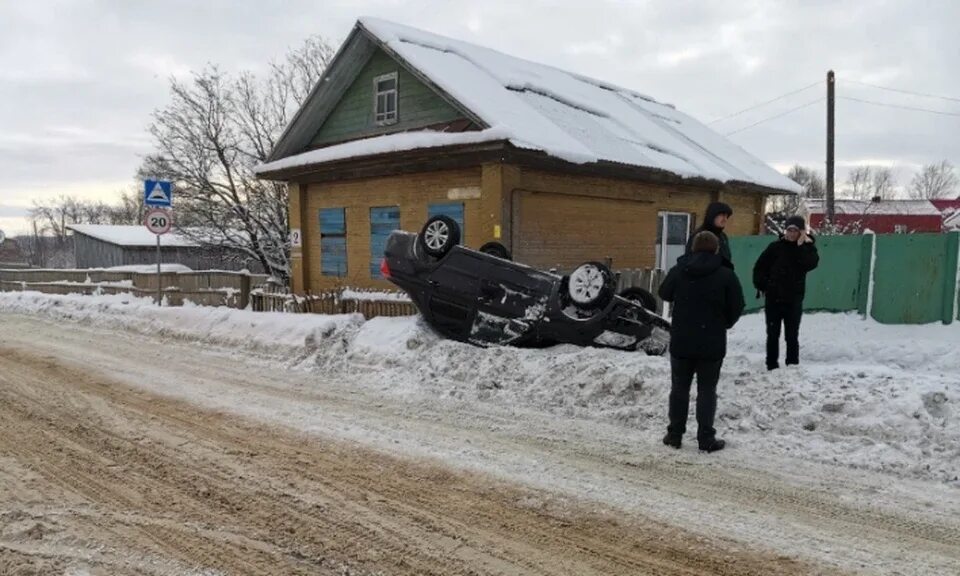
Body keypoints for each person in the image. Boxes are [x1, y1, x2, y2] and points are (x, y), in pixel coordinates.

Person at [659, 230, 745, 453]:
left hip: (682, 341)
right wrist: (724, 323)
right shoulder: (726, 274)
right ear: (717, 249)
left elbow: (664, 292)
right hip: (711, 342)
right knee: (707, 390)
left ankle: (674, 434)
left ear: (693, 248)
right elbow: (737, 305)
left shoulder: (680, 270)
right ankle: (706, 438)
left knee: (679, 389)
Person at [752, 215, 820, 371]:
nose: (791, 233)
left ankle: (792, 364)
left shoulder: (807, 248)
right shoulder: (775, 247)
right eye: (789, 229)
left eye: (795, 230)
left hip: (794, 299)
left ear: (801, 232)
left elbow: (811, 263)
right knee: (772, 334)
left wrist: (802, 245)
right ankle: (771, 364)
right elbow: (759, 267)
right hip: (773, 299)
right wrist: (764, 285)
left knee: (792, 334)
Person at [686, 202, 734, 268]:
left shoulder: (723, 236)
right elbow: (690, 261)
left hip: (722, 276)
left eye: (726, 216)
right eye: (722, 215)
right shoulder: (699, 236)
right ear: (712, 215)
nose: (725, 219)